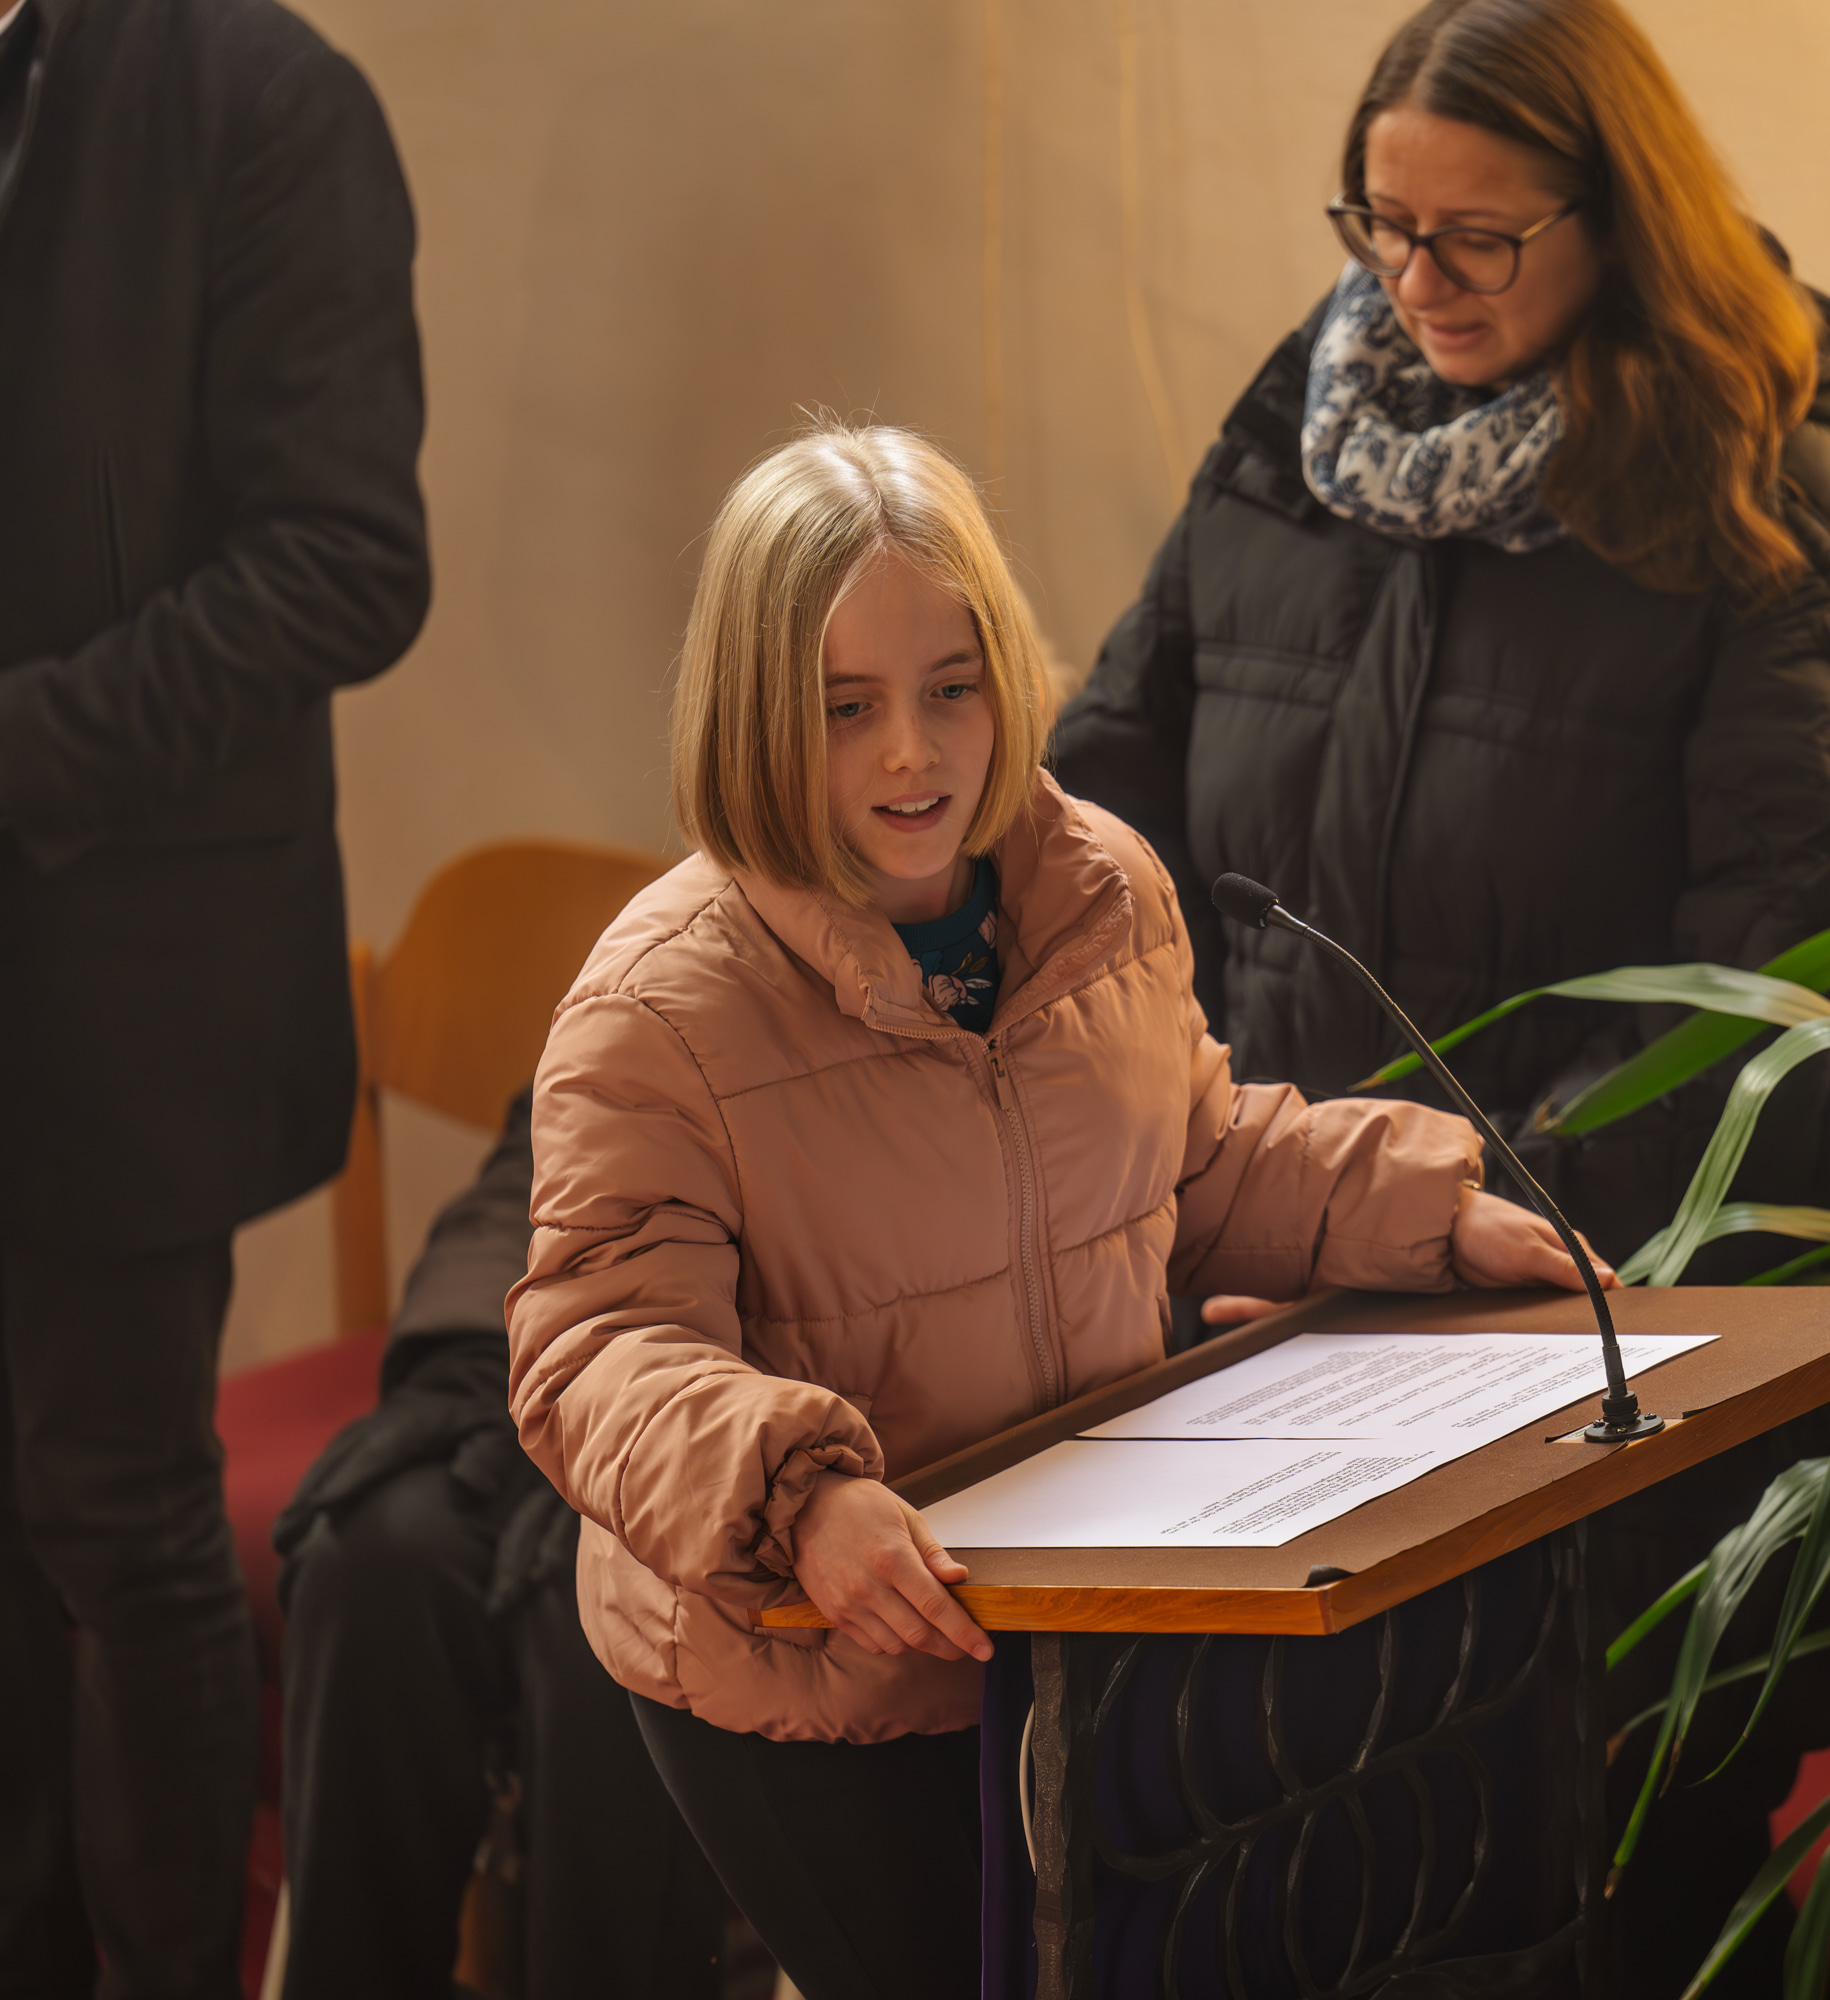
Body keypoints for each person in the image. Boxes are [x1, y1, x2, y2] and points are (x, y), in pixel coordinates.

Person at [1044, 1, 1830, 1987]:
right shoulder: (1303, 433)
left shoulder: (1768, 491)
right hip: (1278, 1354)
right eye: (1382, 222)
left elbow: (1794, 1016)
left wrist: (1427, 1257)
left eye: (1479, 235)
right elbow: (1104, 838)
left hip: (1622, 1404)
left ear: (1621, 216)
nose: (1419, 281)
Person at [504, 420, 1601, 2000]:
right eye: (846, 707)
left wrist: (1428, 1217)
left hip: (1082, 1635)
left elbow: (1189, 1158)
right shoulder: (659, 1008)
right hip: (818, 1668)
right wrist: (801, 1498)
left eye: (952, 688)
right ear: (754, 710)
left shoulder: (1097, 886)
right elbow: (595, 1350)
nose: (913, 753)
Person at [0, 0, 428, 1988]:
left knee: (114, 1516)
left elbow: (346, 561)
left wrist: (27, 749)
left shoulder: (268, 100)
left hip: (128, 977)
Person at [271, 1091, 735, 1998]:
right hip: (517, 1351)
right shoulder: (639, 1004)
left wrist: (636, 1422)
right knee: (369, 1559)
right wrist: (514, 1374)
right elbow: (538, 1163)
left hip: (725, 1401)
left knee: (603, 1622)